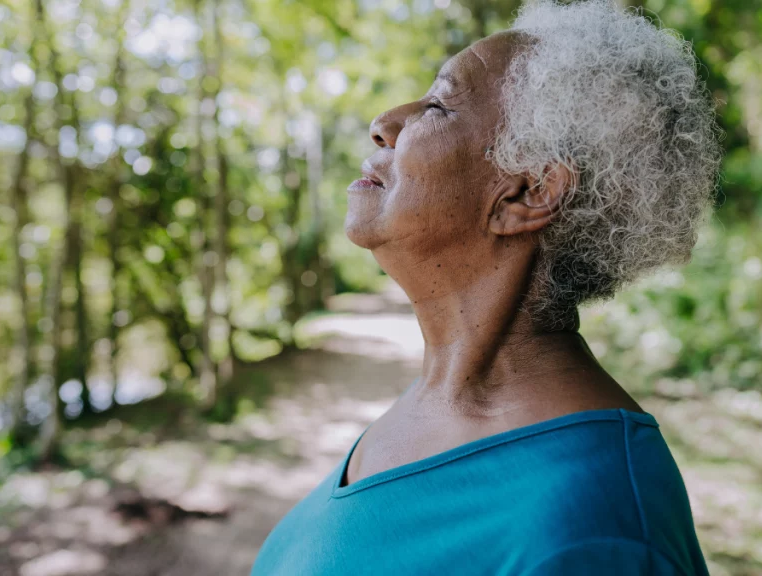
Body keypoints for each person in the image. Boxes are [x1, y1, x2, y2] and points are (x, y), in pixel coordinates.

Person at [251, 0, 722, 574]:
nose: (385, 123)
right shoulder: (436, 398)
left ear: (528, 193)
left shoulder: (594, 528)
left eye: (440, 106)